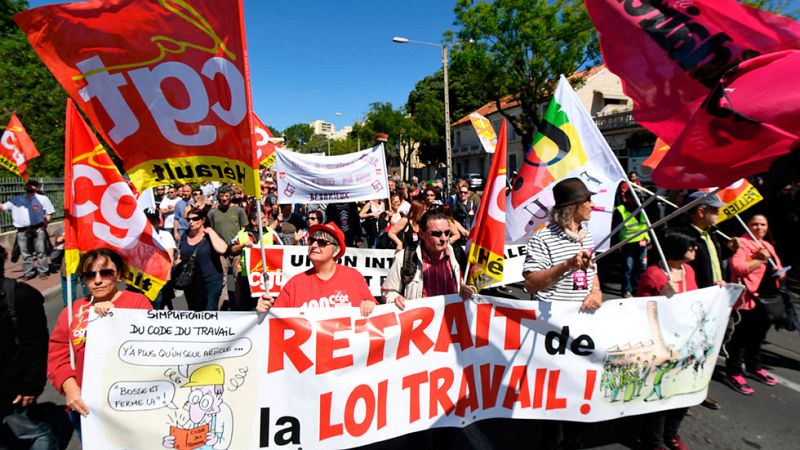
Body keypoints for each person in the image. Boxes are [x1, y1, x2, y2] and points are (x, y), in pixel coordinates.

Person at [521, 178, 601, 450]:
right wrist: (566, 265)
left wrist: (596, 292)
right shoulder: (543, 237)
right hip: (554, 330)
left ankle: (574, 442)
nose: (592, 204)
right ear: (572, 207)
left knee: (580, 393)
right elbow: (531, 282)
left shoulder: (587, 233)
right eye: (587, 200)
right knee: (554, 399)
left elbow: (593, 273)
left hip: (583, 328)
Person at [48, 248, 152, 438]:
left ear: (118, 274)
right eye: (89, 274)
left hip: (131, 404)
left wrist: (115, 318)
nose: (97, 280)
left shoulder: (138, 303)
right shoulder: (73, 311)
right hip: (87, 408)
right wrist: (70, 389)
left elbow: (149, 350)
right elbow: (58, 357)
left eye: (105, 273)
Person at [675, 191, 738, 410]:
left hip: (715, 301)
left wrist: (729, 251)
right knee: (692, 349)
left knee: (708, 351)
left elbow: (712, 263)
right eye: (715, 210)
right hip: (698, 302)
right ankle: (680, 393)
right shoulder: (684, 237)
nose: (719, 213)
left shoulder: (711, 234)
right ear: (701, 211)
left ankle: (699, 389)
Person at [637, 230, 698, 450]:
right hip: (661, 343)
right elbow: (640, 309)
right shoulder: (654, 274)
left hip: (686, 342)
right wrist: (661, 296)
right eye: (690, 246)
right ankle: (653, 441)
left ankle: (671, 434)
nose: (694, 249)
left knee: (683, 392)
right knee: (660, 395)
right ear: (675, 249)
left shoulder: (688, 270)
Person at [0, 245, 60, 450]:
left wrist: (31, 387)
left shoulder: (20, 296)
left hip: (13, 387)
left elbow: (37, 345)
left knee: (33, 433)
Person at [257, 222, 376, 317]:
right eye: (311, 241)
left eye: (322, 242)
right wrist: (264, 310)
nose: (314, 245)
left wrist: (370, 305)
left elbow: (375, 311)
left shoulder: (353, 277)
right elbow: (275, 321)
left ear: (337, 250)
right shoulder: (295, 284)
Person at [724, 214, 785, 394]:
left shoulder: (768, 245)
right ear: (748, 226)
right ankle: (733, 372)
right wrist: (759, 259)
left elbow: (779, 269)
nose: (759, 228)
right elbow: (738, 268)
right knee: (739, 338)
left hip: (767, 300)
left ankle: (754, 366)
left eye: (763, 224)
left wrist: (780, 273)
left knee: (757, 337)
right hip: (747, 299)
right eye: (755, 224)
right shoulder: (742, 243)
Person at [381, 209, 475, 310]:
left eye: (447, 233)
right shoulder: (404, 258)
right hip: (420, 322)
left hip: (451, 323)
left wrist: (468, 291)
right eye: (436, 233)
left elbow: (471, 286)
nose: (444, 238)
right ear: (422, 234)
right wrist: (396, 299)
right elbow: (388, 292)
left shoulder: (457, 255)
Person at [0, 180, 55, 280]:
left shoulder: (43, 199)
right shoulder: (17, 199)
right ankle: (28, 273)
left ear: (37, 187)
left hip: (38, 229)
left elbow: (49, 213)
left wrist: (45, 225)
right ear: (26, 187)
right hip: (22, 231)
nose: (31, 186)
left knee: (41, 252)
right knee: (25, 253)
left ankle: (43, 271)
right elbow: (2, 207)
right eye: (29, 185)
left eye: (34, 185)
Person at [229, 211, 282, 311]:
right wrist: (242, 245)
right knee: (246, 307)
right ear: (253, 221)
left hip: (267, 279)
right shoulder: (242, 234)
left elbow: (282, 250)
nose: (265, 220)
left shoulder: (272, 233)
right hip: (246, 278)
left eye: (265, 217)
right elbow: (230, 250)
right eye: (262, 218)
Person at [177, 207, 228, 311]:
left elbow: (222, 249)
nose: (191, 222)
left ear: (203, 220)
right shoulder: (185, 235)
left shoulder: (211, 235)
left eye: (195, 219)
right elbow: (181, 255)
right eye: (189, 219)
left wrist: (210, 231)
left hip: (210, 282)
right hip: (191, 283)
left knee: (209, 311)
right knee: (194, 313)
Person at [612, 189, 651, 297]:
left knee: (642, 268)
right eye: (636, 197)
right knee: (627, 268)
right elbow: (615, 229)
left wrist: (649, 240)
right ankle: (626, 290)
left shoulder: (643, 208)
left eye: (641, 198)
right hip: (627, 243)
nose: (639, 200)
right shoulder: (620, 210)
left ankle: (637, 288)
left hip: (643, 242)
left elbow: (648, 226)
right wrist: (616, 245)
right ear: (627, 198)